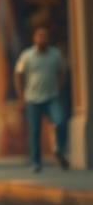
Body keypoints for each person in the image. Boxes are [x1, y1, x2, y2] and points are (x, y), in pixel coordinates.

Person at [14, 26, 69, 172]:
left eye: (44, 36)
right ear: (34, 39)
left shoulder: (55, 55)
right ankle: (36, 162)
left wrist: (58, 87)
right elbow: (18, 74)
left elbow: (63, 71)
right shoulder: (27, 55)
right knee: (34, 131)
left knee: (60, 122)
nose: (42, 39)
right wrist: (21, 96)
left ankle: (59, 149)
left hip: (52, 97)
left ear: (48, 39)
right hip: (32, 99)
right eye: (39, 36)